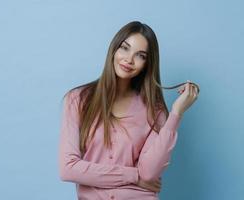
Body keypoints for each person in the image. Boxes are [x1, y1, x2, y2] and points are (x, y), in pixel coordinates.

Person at [58, 21, 199, 200]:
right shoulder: (78, 99)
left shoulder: (154, 111)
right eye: (125, 48)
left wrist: (176, 113)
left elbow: (148, 174)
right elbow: (68, 168)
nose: (129, 60)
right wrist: (133, 176)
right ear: (114, 49)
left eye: (140, 55)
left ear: (147, 64)